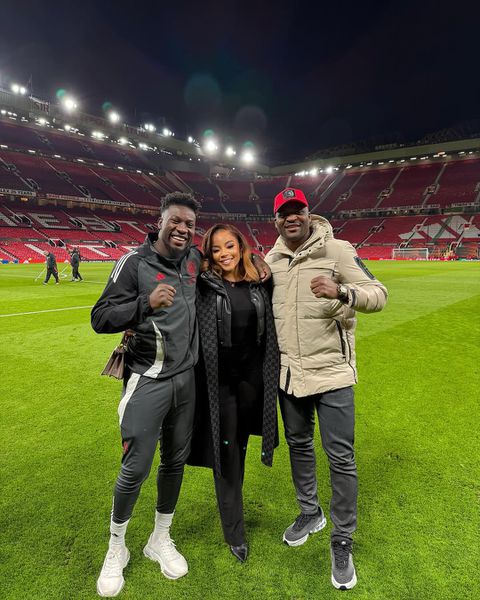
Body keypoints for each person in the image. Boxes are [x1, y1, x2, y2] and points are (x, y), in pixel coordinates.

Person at [265, 188, 388, 590]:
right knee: (299, 446)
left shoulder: (337, 250)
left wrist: (343, 292)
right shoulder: (272, 259)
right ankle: (309, 512)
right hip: (289, 376)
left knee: (341, 459)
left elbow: (378, 294)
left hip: (332, 374)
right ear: (276, 221)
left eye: (297, 210)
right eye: (284, 213)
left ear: (308, 213)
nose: (291, 218)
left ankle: (342, 539)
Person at [91, 192, 202, 597]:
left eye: (189, 223)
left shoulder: (194, 260)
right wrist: (143, 304)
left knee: (174, 461)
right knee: (135, 469)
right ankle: (116, 547)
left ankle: (159, 538)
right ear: (161, 221)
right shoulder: (134, 263)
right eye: (176, 220)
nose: (183, 228)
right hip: (147, 380)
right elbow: (100, 317)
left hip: (186, 381)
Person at [188, 224, 279, 563]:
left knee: (239, 448)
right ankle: (234, 532)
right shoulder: (204, 284)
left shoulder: (260, 281)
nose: (224, 253)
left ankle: (233, 509)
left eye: (230, 245)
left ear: (242, 246)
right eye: (216, 249)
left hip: (253, 382)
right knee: (225, 454)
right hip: (218, 384)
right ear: (208, 253)